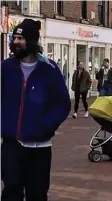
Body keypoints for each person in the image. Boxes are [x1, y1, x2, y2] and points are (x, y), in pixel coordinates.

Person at [1, 18, 71, 201]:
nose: (16, 42)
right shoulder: (5, 69)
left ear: (32, 41)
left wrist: (45, 126)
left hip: (39, 146)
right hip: (11, 143)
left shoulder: (49, 70)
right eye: (14, 38)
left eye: (20, 38)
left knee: (37, 194)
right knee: (11, 190)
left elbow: (62, 103)